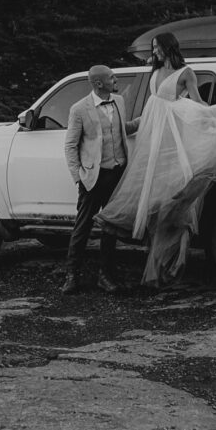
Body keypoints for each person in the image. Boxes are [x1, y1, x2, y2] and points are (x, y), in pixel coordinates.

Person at [97, 31, 216, 289]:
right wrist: (128, 127)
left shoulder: (186, 73)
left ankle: (166, 266)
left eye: (157, 47)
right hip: (151, 143)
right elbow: (152, 108)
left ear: (168, 47)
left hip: (172, 143)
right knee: (151, 201)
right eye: (153, 48)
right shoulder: (154, 73)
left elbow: (197, 103)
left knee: (173, 203)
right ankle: (143, 265)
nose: (154, 52)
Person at [61, 64, 140, 295]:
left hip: (117, 174)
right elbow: (70, 145)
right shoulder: (79, 109)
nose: (116, 80)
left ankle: (105, 276)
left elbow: (121, 129)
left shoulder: (119, 101)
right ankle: (72, 275)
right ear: (98, 83)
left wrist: (147, 119)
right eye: (112, 78)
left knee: (110, 228)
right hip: (93, 178)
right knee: (82, 226)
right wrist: (78, 178)